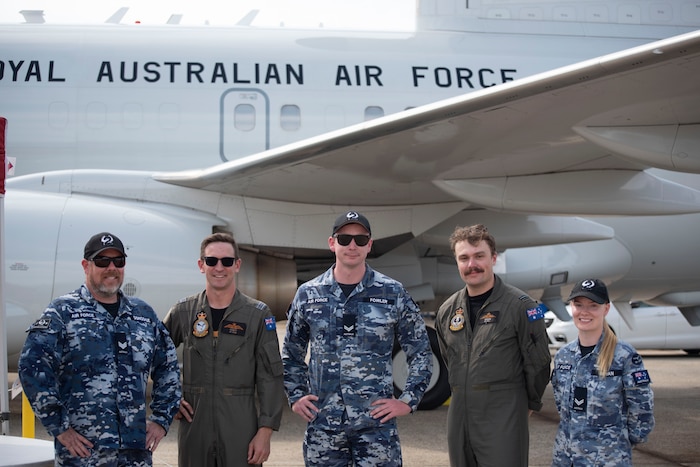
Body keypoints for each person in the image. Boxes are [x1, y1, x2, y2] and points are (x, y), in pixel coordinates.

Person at [282, 210, 433, 466]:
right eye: (344, 239)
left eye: (360, 240)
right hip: (324, 428)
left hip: (376, 428)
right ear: (332, 243)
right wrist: (296, 396)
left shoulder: (392, 292)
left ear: (369, 245)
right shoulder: (308, 294)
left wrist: (408, 400)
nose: (352, 245)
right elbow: (291, 353)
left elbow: (420, 350)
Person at [18, 232, 181, 466]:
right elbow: (32, 368)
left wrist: (161, 420)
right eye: (102, 261)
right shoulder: (63, 312)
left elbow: (168, 368)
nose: (111, 268)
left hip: (134, 454)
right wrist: (60, 427)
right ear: (86, 266)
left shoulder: (143, 315)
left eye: (118, 261)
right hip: (83, 455)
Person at [163, 232, 285, 467]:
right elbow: (153, 354)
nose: (219, 267)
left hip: (240, 427)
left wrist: (265, 431)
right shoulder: (183, 312)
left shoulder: (257, 315)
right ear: (201, 265)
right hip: (194, 427)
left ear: (237, 265)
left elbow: (270, 376)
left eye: (227, 261)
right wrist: (169, 397)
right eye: (211, 261)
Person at [434, 224, 551, 467]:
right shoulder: (447, 310)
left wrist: (527, 405)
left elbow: (539, 363)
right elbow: (450, 357)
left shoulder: (522, 306)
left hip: (503, 411)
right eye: (464, 258)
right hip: (460, 413)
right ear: (456, 262)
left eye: (479, 256)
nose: (471, 265)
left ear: (493, 258)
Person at [551, 278, 655, 466]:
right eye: (578, 304)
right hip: (566, 458)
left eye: (593, 306)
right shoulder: (563, 356)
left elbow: (642, 408)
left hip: (607, 458)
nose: (584, 312)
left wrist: (618, 442)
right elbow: (563, 407)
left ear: (606, 309)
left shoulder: (624, 355)